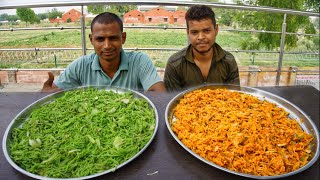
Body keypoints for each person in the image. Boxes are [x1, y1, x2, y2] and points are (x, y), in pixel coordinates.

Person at [42, 12, 165, 92]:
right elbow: (54, 92)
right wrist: (46, 95)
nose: (107, 46)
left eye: (113, 38)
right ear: (91, 39)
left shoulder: (139, 61)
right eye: (100, 39)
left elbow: (158, 91)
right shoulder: (80, 66)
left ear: (123, 38)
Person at [164, 5, 240, 92]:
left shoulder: (229, 61)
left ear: (216, 30)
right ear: (188, 33)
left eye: (207, 31)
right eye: (194, 32)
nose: (201, 37)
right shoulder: (174, 64)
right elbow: (172, 101)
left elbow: (235, 97)